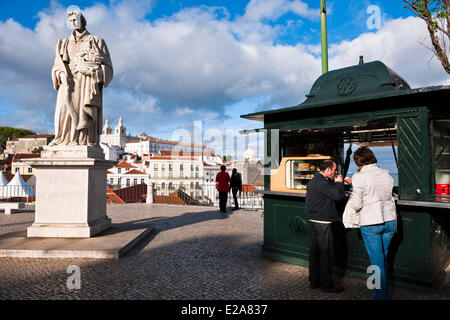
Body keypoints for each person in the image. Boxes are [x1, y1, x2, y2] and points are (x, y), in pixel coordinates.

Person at [50, 9, 113, 146]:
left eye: (76, 19)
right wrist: (61, 75)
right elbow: (56, 66)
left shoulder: (97, 41)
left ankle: (83, 140)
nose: (73, 23)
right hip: (67, 83)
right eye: (70, 20)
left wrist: (91, 71)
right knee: (62, 112)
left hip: (86, 84)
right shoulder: (64, 42)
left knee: (84, 114)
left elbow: (108, 68)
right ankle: (62, 139)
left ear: (83, 21)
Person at [349, 147, 396, 300]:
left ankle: (379, 296)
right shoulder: (386, 174)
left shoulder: (359, 176)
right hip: (390, 220)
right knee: (382, 257)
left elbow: (356, 205)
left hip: (371, 222)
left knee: (377, 261)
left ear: (358, 160)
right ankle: (380, 291)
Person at [305, 160, 345, 293]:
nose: (335, 173)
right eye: (334, 170)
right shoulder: (321, 182)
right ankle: (326, 284)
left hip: (314, 219)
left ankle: (314, 281)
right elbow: (338, 195)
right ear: (327, 170)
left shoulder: (315, 180)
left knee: (315, 252)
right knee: (326, 254)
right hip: (322, 221)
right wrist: (339, 183)